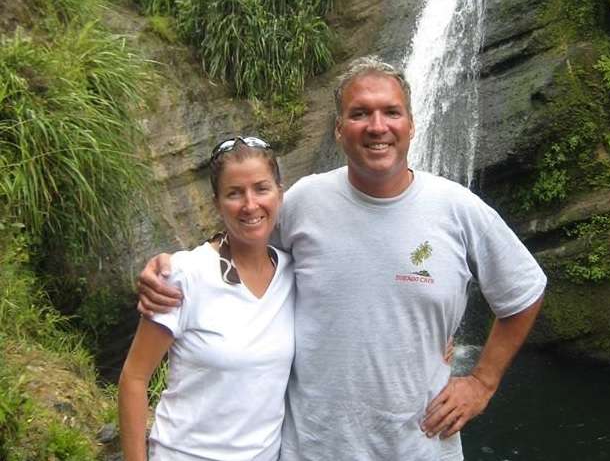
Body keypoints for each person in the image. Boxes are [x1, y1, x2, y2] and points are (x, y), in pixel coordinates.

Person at [137, 56, 546, 460]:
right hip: (314, 449)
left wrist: (482, 382)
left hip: (419, 446)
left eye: (391, 112)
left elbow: (524, 289)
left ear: (411, 124)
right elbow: (244, 244)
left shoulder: (459, 209)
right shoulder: (304, 201)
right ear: (338, 129)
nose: (377, 126)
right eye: (359, 113)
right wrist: (172, 267)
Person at [119, 137, 295, 461]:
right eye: (234, 193)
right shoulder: (185, 274)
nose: (250, 204)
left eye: (261, 189)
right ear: (216, 203)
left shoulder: (293, 274)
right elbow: (134, 377)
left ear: (280, 194)